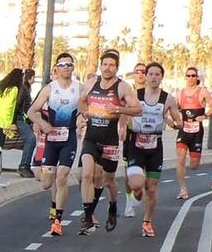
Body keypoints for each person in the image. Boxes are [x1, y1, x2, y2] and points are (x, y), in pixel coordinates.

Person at [77, 51, 141, 233]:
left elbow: (138, 109)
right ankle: (88, 216)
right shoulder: (91, 83)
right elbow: (81, 102)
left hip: (110, 141)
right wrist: (85, 113)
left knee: (109, 180)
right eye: (105, 64)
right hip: (91, 138)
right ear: (100, 65)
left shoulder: (122, 87)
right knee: (87, 175)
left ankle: (112, 205)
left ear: (116, 68)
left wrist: (118, 109)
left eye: (111, 65)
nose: (107, 68)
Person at [28, 52, 82, 237]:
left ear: (73, 68)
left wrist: (82, 119)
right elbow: (31, 111)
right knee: (46, 183)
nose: (66, 67)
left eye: (69, 64)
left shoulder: (79, 88)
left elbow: (86, 109)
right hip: (51, 140)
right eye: (62, 64)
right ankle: (53, 202)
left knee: (62, 176)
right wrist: (43, 124)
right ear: (56, 69)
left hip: (69, 138)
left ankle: (57, 220)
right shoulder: (49, 89)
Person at [123, 62, 172, 238]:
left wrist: (175, 122)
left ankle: (147, 222)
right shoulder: (136, 95)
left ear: (161, 77)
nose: (153, 77)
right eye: (150, 74)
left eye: (157, 74)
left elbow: (176, 120)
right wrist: (122, 128)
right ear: (146, 76)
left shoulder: (168, 98)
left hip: (155, 145)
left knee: (152, 188)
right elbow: (124, 113)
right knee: (137, 184)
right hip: (136, 143)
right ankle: (134, 195)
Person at [173, 66, 212, 200]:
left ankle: (193, 160)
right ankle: (183, 189)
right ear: (185, 77)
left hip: (196, 132)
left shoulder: (202, 92)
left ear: (197, 77)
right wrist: (174, 120)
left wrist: (205, 115)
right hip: (184, 131)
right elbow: (173, 109)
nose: (191, 78)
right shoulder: (180, 93)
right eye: (188, 75)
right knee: (180, 160)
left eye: (193, 75)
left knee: (194, 165)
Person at [0, 68, 27, 185]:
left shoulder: (1, 88)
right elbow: (8, 108)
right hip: (1, 123)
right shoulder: (13, 89)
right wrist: (8, 125)